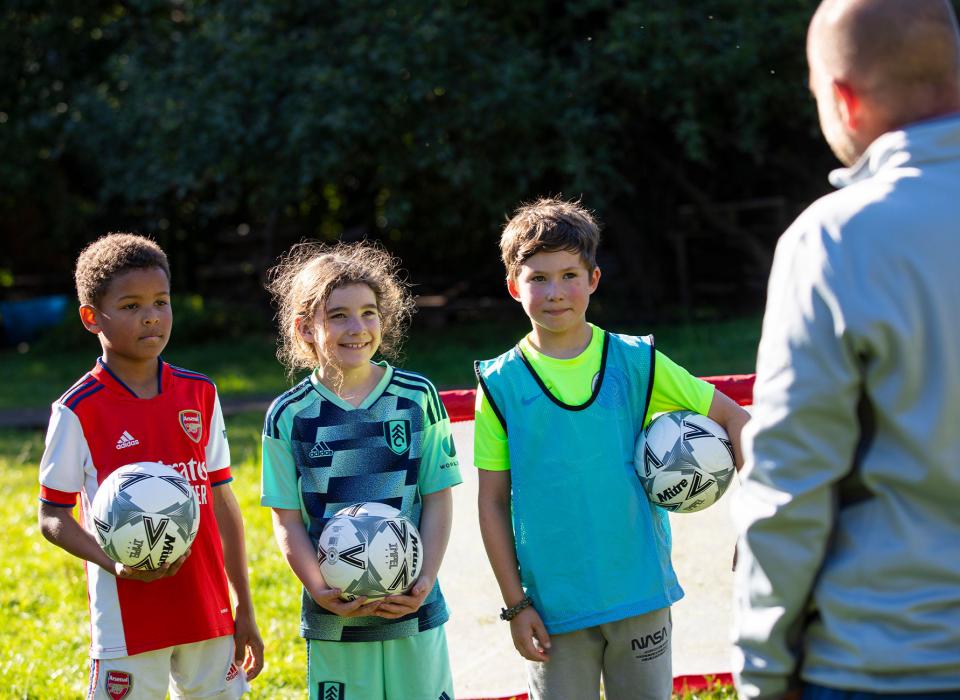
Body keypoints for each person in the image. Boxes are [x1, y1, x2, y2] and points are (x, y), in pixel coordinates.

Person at [733, 1, 960, 698]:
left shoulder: (836, 241)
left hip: (888, 664)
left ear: (841, 97)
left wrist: (761, 672)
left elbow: (790, 484)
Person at [474, 198, 750, 700]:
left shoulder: (637, 361)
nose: (555, 292)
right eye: (538, 278)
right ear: (514, 287)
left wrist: (754, 520)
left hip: (638, 594)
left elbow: (737, 420)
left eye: (569, 275)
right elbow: (491, 502)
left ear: (594, 279)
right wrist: (516, 606)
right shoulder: (499, 383)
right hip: (553, 608)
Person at [37, 233, 263, 698]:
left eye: (161, 301)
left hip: (207, 606)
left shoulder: (199, 393)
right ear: (91, 317)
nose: (151, 316)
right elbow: (51, 516)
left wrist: (243, 603)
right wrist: (113, 563)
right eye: (131, 305)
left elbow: (222, 501)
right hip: (128, 621)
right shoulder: (77, 409)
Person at [260, 241, 462, 700]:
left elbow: (438, 498)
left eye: (369, 312)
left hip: (413, 608)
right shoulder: (289, 415)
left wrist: (424, 578)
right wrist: (319, 588)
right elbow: (286, 520)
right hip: (337, 619)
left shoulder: (417, 397)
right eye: (338, 316)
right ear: (305, 329)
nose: (357, 328)